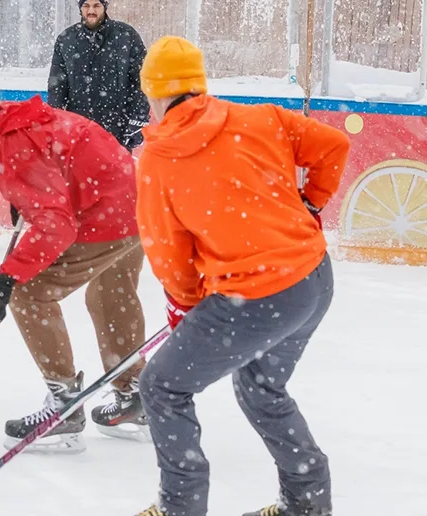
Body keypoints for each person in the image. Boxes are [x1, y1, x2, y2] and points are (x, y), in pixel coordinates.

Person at [131, 36, 349, 516]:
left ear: (158, 94)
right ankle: (306, 501)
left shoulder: (159, 160)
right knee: (260, 386)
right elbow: (334, 144)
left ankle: (180, 507)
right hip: (313, 279)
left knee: (162, 386)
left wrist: (188, 306)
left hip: (256, 296)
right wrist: (311, 201)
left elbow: (168, 256)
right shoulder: (259, 118)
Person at [0, 80, 146, 453]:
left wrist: (9, 275)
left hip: (107, 215)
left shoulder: (18, 145)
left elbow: (57, 225)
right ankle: (138, 394)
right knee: (108, 295)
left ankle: (64, 406)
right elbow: (62, 166)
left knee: (28, 294)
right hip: (134, 204)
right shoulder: (23, 121)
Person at [48, 0, 151, 153]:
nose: (91, 11)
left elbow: (141, 81)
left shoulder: (126, 36)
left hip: (118, 131)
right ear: (80, 6)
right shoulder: (66, 40)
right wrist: (54, 123)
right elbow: (57, 87)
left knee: (116, 180)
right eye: (86, 5)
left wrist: (138, 118)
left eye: (96, 5)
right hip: (79, 132)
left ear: (105, 5)